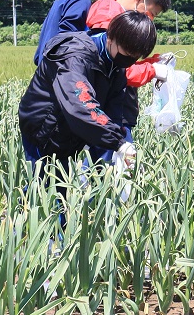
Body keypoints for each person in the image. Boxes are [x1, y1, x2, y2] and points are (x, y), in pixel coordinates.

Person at [18, 11, 156, 199]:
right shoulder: (76, 54)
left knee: (59, 193)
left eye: (135, 57)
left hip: (69, 133)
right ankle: (20, 227)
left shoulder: (116, 66)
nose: (129, 60)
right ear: (111, 37)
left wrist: (121, 146)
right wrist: (117, 143)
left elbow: (113, 112)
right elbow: (80, 104)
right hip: (43, 128)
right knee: (43, 193)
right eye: (127, 53)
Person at [85, 0, 175, 88]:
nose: (150, 20)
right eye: (152, 13)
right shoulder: (108, 15)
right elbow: (118, 68)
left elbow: (124, 61)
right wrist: (153, 70)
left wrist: (154, 61)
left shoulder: (114, 11)